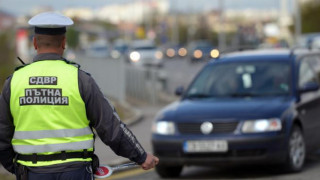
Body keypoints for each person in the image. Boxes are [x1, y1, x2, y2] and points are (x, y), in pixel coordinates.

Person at [0, 12, 159, 180]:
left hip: (31, 172)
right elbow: (110, 127)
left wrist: (18, 169)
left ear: (34, 43)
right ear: (64, 43)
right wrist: (141, 156)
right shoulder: (80, 79)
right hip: (75, 172)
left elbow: (2, 134)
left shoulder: (14, 82)